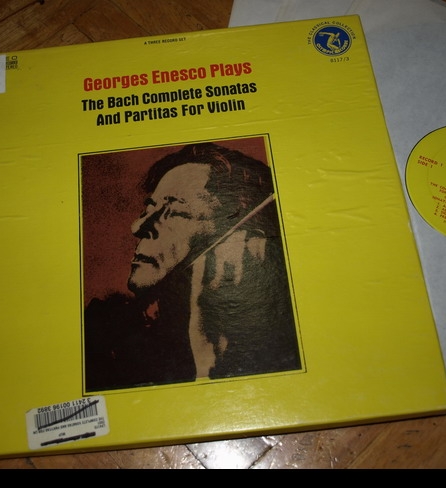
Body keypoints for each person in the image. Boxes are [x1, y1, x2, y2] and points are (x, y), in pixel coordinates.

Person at [84, 142, 301, 391]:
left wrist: (214, 358)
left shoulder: (287, 344)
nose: (138, 226)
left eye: (176, 211)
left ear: (245, 242)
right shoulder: (100, 340)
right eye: (149, 208)